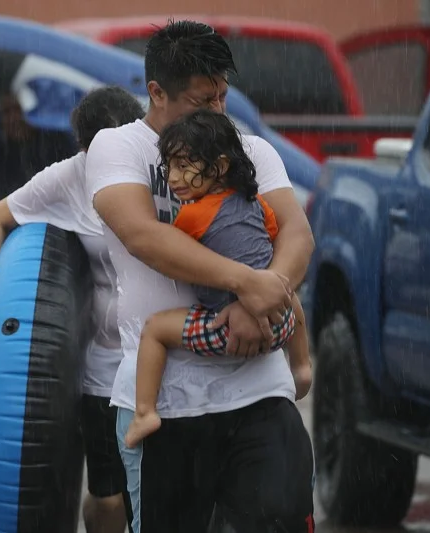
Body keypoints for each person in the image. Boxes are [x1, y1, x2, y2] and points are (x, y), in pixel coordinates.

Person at [85, 20, 317, 533]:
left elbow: (297, 233)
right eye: (201, 101)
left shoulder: (249, 151)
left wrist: (264, 296)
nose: (216, 111)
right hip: (165, 401)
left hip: (259, 392)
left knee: (281, 522)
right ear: (157, 93)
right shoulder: (118, 148)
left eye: (221, 97)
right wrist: (244, 283)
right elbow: (144, 236)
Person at [0, 86, 145, 533]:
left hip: (165, 361)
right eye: (101, 154)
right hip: (104, 371)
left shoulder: (162, 168)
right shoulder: (70, 176)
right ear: (84, 148)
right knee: (109, 499)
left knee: (158, 492)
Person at [124, 109, 313, 448]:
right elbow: (272, 231)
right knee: (286, 290)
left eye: (184, 166)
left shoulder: (191, 216)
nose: (174, 178)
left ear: (220, 166)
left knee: (154, 330)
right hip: (279, 320)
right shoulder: (255, 201)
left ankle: (144, 412)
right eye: (169, 168)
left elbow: (175, 255)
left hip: (226, 329)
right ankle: (301, 365)